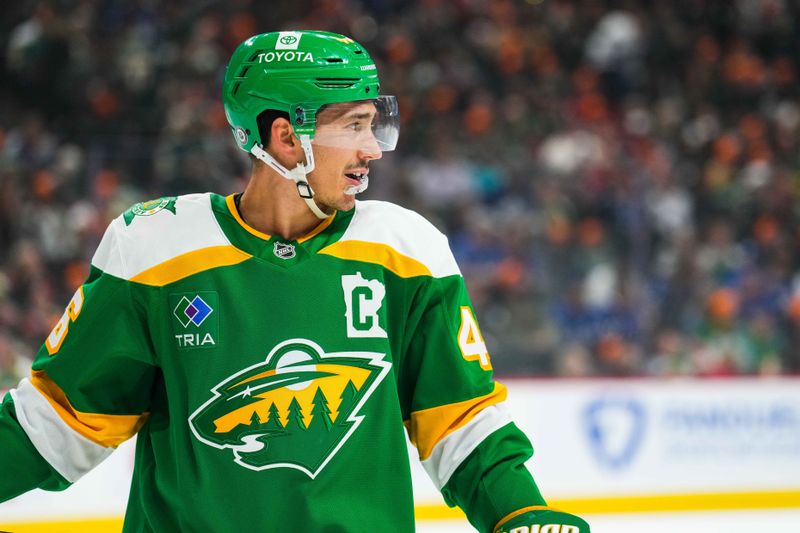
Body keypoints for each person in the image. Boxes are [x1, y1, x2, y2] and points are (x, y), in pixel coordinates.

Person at [0, 31, 589, 532]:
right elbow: (54, 424)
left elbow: (460, 419)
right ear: (286, 137)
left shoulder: (408, 251)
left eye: (373, 124)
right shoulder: (154, 249)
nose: (371, 150)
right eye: (355, 126)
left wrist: (520, 514)